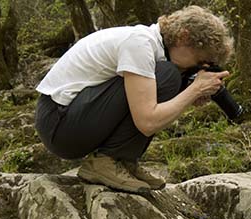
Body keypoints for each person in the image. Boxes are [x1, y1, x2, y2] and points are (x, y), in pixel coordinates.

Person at [34, 5, 234, 193]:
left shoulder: (153, 47)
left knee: (169, 78)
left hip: (74, 118)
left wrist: (189, 94)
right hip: (58, 123)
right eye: (199, 61)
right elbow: (147, 121)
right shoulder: (139, 43)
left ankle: (123, 161)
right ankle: (105, 162)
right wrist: (194, 90)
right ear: (183, 37)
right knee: (168, 76)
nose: (196, 68)